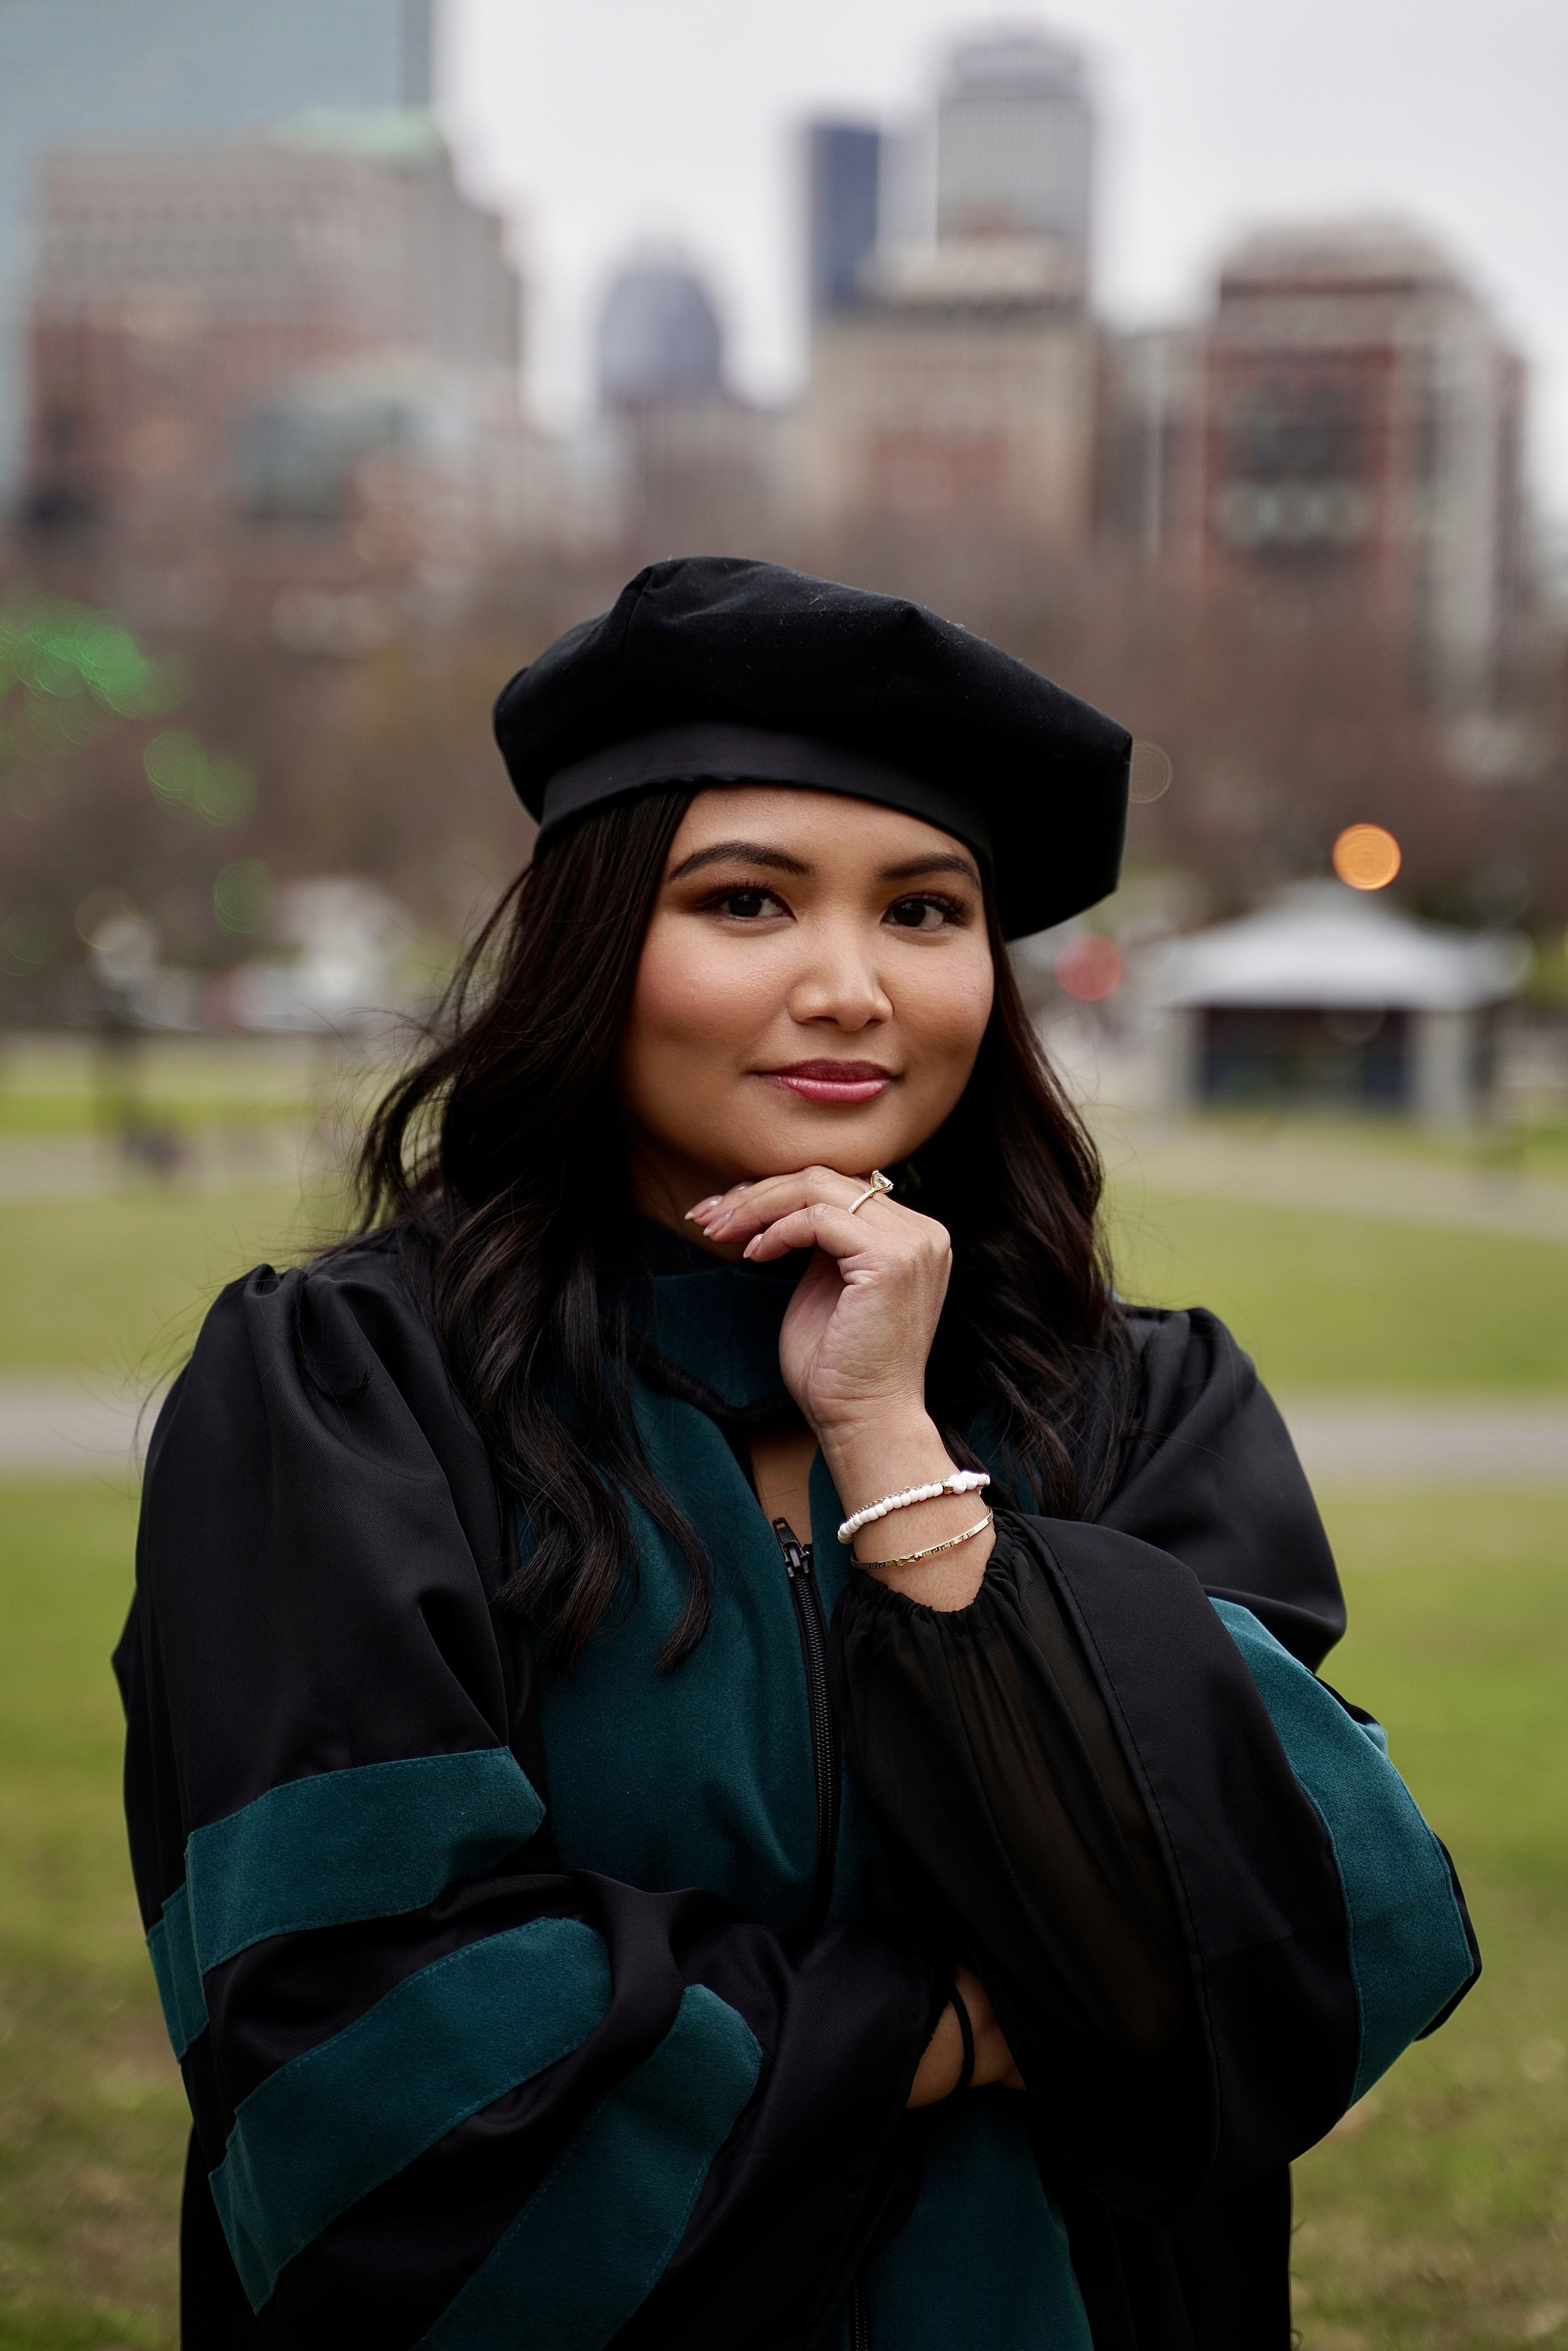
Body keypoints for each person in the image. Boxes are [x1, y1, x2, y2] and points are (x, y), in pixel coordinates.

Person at [116, 559, 1478, 2351]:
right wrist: (979, 2024)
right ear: (597, 944)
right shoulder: (351, 1397)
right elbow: (377, 2064)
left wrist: (895, 1451)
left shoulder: (1141, 1402)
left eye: (925, 913)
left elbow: (1314, 1950)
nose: (852, 987)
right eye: (747, 900)